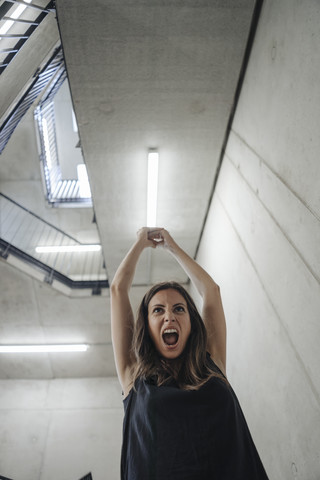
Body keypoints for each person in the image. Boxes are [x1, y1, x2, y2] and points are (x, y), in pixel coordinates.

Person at [111, 227, 269, 480]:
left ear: (192, 322)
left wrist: (172, 246)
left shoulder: (212, 364)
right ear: (147, 327)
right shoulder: (134, 378)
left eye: (179, 309)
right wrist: (140, 243)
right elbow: (118, 289)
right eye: (158, 311)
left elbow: (211, 292)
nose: (169, 316)